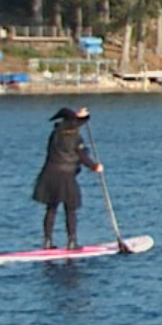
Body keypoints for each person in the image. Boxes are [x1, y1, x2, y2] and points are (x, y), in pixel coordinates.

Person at [32, 106, 103, 249]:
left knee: (51, 208)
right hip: (66, 176)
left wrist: (80, 116)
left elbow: (74, 123)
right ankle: (72, 242)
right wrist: (95, 167)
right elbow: (82, 156)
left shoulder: (55, 134)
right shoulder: (75, 137)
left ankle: (47, 242)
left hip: (49, 174)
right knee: (70, 208)